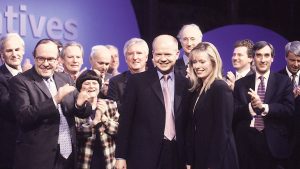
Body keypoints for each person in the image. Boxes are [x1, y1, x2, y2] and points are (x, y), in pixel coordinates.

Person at [9, 39, 93, 169]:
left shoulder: (65, 78)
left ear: (58, 59)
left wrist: (80, 105)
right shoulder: (20, 81)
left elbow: (83, 112)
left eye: (51, 59)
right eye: (41, 59)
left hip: (68, 156)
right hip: (38, 158)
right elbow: (23, 116)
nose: (45, 64)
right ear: (34, 57)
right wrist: (55, 99)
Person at [115, 34, 190, 169]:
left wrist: (189, 158)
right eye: (158, 54)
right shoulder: (137, 81)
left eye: (167, 54)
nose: (162, 59)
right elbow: (126, 121)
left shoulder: (186, 84)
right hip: (144, 155)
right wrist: (121, 156)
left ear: (177, 54)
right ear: (153, 55)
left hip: (178, 154)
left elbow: (188, 125)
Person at [233, 41, 294, 169]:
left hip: (274, 145)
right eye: (258, 55)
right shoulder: (240, 84)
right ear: (253, 58)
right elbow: (233, 112)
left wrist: (264, 107)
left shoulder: (283, 81)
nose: (262, 59)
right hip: (246, 144)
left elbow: (289, 110)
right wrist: (250, 107)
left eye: (267, 55)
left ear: (272, 58)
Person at [186, 42, 239, 169]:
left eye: (202, 62)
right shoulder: (197, 89)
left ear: (213, 62)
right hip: (202, 155)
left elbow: (222, 130)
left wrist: (213, 164)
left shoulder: (220, 87)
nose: (197, 66)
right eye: (194, 62)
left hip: (218, 159)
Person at [75, 70, 119, 169]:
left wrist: (104, 119)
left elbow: (118, 130)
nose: (91, 86)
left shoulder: (110, 104)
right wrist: (94, 122)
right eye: (87, 83)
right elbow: (77, 133)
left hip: (108, 159)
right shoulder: (77, 107)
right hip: (86, 160)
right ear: (80, 87)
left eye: (94, 83)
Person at [0, 33, 25, 169]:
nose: (14, 54)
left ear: (23, 50)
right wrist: (25, 82)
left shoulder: (32, 76)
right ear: (2, 54)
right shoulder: (1, 77)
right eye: (9, 50)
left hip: (31, 146)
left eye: (17, 49)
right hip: (9, 146)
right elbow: (8, 107)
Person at [107, 38, 149, 107]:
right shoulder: (115, 82)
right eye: (130, 54)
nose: (135, 57)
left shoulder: (156, 79)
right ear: (126, 58)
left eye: (139, 53)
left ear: (146, 57)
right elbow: (113, 111)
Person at [278, 41, 300, 169]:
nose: (296, 64)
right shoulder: (276, 78)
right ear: (286, 57)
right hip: (282, 138)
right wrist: (289, 97)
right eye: (292, 60)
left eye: (299, 60)